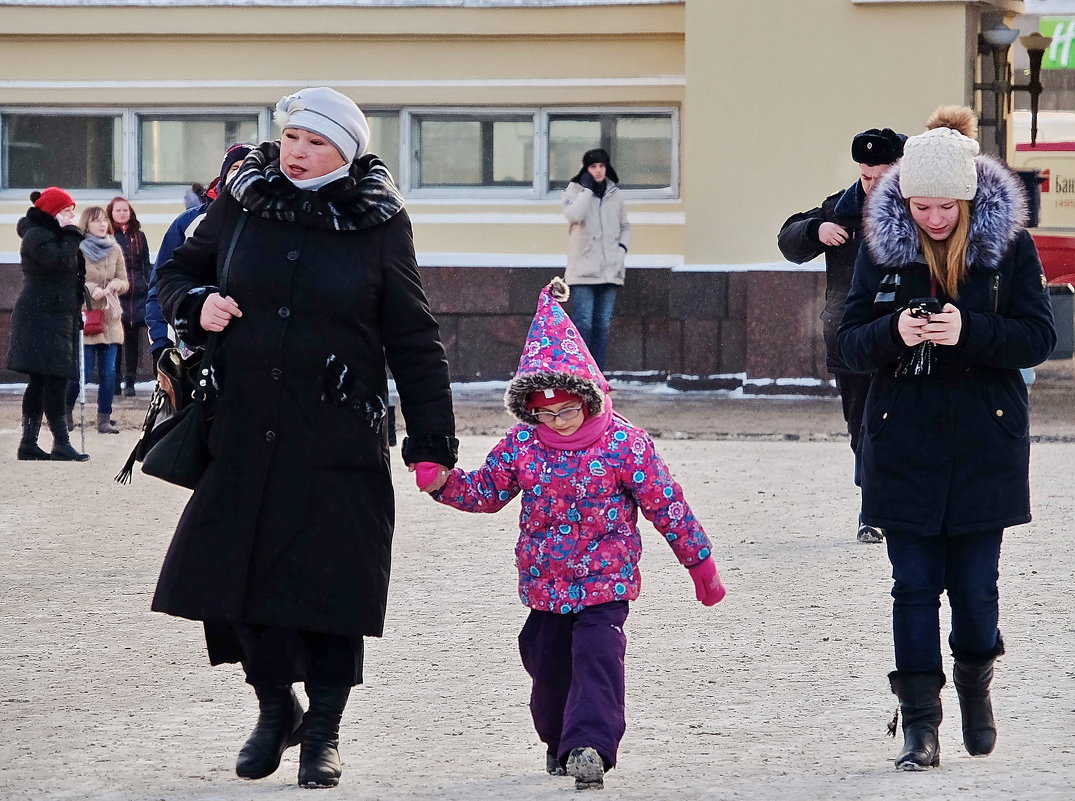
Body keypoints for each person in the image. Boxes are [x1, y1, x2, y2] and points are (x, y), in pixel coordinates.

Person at [152, 86, 457, 789]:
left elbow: (413, 337)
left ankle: (322, 732)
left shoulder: (377, 222)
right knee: (230, 580)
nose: (296, 152)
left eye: (315, 143)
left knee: (330, 590)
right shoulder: (243, 197)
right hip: (244, 426)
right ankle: (272, 708)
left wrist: (431, 442)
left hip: (335, 436)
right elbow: (176, 273)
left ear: (344, 153)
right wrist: (197, 305)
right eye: (291, 137)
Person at [418, 277, 725, 791]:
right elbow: (487, 492)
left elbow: (667, 506)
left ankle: (591, 747)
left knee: (597, 657)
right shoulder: (523, 445)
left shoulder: (625, 444)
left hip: (606, 581)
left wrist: (701, 566)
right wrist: (444, 483)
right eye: (545, 412)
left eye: (567, 409)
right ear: (530, 409)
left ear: (590, 399)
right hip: (545, 580)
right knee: (547, 664)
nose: (557, 421)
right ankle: (558, 740)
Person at [837, 106, 1056, 771]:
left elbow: (1039, 338)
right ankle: (919, 724)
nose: (933, 218)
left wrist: (969, 331)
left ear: (968, 199)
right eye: (921, 205)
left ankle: (974, 679)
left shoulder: (1007, 248)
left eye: (946, 206)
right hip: (899, 441)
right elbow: (845, 346)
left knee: (974, 591)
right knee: (910, 586)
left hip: (983, 443)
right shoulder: (880, 249)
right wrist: (890, 334)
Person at [778, 127, 905, 544]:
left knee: (896, 426)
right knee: (862, 427)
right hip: (850, 339)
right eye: (866, 177)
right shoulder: (841, 208)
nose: (871, 186)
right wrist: (815, 230)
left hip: (904, 337)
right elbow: (789, 240)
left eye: (881, 177)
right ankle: (873, 507)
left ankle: (888, 507)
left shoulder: (917, 209)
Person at [146, 143, 255, 370]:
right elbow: (163, 285)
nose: (241, 172)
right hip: (194, 346)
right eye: (235, 167)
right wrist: (161, 342)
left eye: (248, 166)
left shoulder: (274, 224)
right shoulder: (189, 223)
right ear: (224, 174)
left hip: (252, 348)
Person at [8, 187, 90, 462]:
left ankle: (31, 443)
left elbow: (71, 276)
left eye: (72, 212)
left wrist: (77, 310)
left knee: (48, 379)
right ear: (54, 213)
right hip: (40, 315)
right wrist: (71, 234)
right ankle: (59, 442)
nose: (72, 217)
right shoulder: (37, 235)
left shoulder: (53, 235)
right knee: (50, 378)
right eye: (67, 212)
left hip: (57, 313)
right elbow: (57, 261)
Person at [561, 149, 630, 371]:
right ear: (586, 169)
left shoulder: (615, 194)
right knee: (583, 325)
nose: (598, 171)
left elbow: (625, 226)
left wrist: (621, 249)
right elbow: (574, 216)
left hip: (611, 271)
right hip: (583, 272)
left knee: (602, 326)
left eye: (601, 166)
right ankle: (581, 374)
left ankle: (598, 376)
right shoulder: (574, 191)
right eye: (593, 167)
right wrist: (587, 191)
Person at [68, 206, 128, 434]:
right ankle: (66, 412)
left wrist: (116, 285)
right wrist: (91, 288)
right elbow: (73, 279)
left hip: (110, 318)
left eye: (104, 220)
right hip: (86, 316)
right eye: (96, 221)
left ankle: (104, 418)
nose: (102, 225)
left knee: (109, 373)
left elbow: (124, 280)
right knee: (81, 373)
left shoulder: (115, 248)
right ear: (87, 224)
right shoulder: (78, 249)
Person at [107, 196, 151, 397]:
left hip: (136, 295)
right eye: (118, 210)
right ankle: (114, 380)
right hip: (115, 293)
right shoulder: (108, 236)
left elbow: (145, 263)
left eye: (125, 210)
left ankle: (130, 380)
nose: (123, 213)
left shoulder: (138, 236)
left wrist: (147, 283)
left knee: (133, 339)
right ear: (111, 213)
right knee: (115, 339)